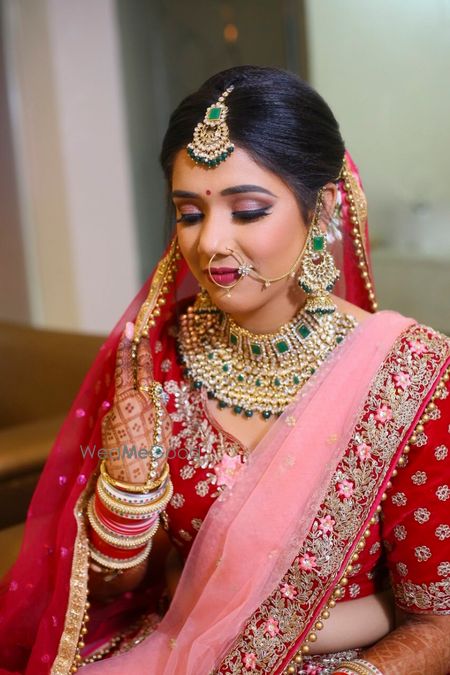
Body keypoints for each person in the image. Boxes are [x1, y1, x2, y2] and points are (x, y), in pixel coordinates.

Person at [0, 66, 449, 675]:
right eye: (190, 214)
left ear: (321, 211)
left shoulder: (411, 373)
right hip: (173, 648)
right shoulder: (158, 354)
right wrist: (127, 496)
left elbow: (438, 620)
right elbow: (111, 587)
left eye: (248, 210)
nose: (210, 242)